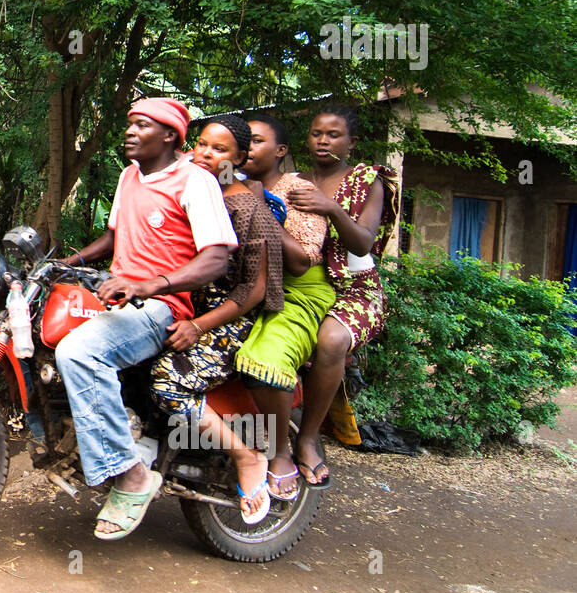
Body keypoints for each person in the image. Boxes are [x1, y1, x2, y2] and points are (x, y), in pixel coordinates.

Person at [60, 97, 237, 540]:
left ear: (171, 136)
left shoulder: (195, 181)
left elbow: (216, 258)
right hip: (119, 298)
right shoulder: (129, 176)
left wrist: (150, 284)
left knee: (80, 352)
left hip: (162, 307)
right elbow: (115, 237)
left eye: (142, 125)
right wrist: (68, 260)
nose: (131, 131)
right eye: (129, 124)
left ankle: (132, 475)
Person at [149, 115, 284, 523]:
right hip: (186, 304)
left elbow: (252, 291)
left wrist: (198, 326)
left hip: (226, 320)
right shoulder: (195, 191)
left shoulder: (248, 210)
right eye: (202, 144)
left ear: (240, 158)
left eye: (219, 149)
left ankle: (247, 456)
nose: (206, 154)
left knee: (166, 381)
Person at [287, 106, 399, 486]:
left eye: (333, 135)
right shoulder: (292, 181)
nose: (322, 140)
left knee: (330, 341)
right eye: (316, 133)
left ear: (350, 142)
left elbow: (363, 243)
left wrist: (332, 209)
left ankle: (307, 439)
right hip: (303, 284)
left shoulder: (368, 181)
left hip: (355, 288)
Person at [236, 114, 336, 500]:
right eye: (243, 140)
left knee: (264, 362)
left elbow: (300, 261)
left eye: (257, 141)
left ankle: (280, 453)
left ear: (280, 151)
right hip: (247, 288)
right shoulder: (227, 185)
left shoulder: (298, 190)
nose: (247, 148)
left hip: (297, 291)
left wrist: (260, 209)